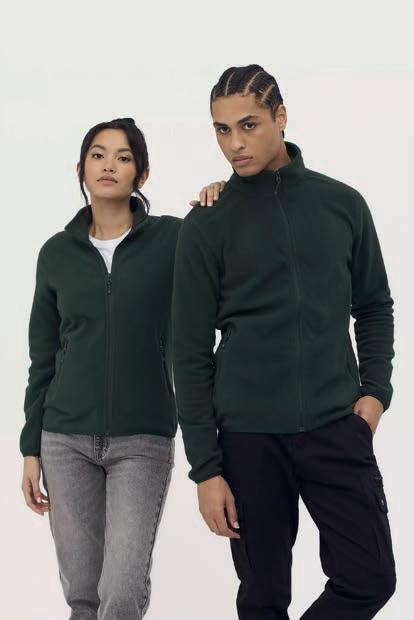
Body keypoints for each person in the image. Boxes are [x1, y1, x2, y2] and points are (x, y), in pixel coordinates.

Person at [172, 65, 396, 619]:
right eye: (222, 129)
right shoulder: (207, 223)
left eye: (248, 125)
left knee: (369, 578)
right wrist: (206, 469)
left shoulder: (342, 204)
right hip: (248, 439)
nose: (235, 143)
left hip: (336, 425)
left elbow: (373, 305)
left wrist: (375, 393)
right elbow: (189, 350)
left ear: (281, 116)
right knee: (263, 598)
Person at [20, 116, 224, 620]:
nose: (109, 164)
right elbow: (42, 357)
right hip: (64, 439)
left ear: (142, 174)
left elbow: (225, 245)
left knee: (123, 588)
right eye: (98, 154)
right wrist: (31, 448)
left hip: (142, 439)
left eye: (123, 156)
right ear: (81, 169)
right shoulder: (57, 254)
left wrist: (224, 195)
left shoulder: (173, 239)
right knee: (83, 595)